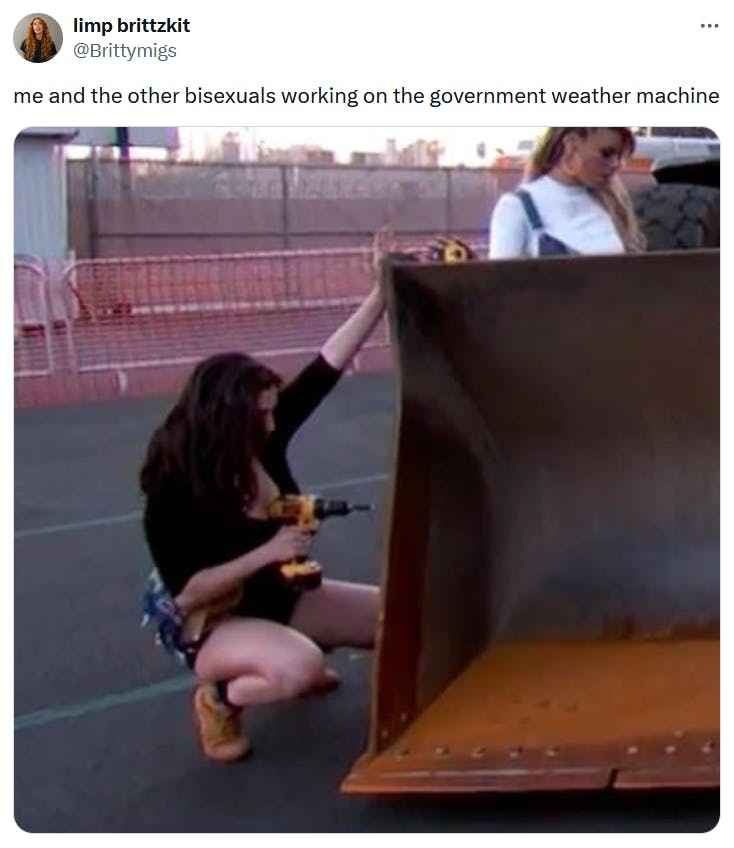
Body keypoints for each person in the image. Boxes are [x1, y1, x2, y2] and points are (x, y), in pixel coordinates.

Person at [140, 246, 388, 763]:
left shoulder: (262, 441)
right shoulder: (171, 494)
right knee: (298, 670)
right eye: (262, 417)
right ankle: (220, 697)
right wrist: (269, 551)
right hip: (214, 622)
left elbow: (327, 367)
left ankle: (294, 644)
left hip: (279, 596)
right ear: (227, 423)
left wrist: (381, 295)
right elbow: (187, 595)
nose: (274, 425)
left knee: (397, 616)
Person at [488, 127, 646, 258]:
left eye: (620, 156)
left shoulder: (611, 203)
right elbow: (499, 285)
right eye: (606, 154)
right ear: (571, 146)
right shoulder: (517, 207)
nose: (616, 164)